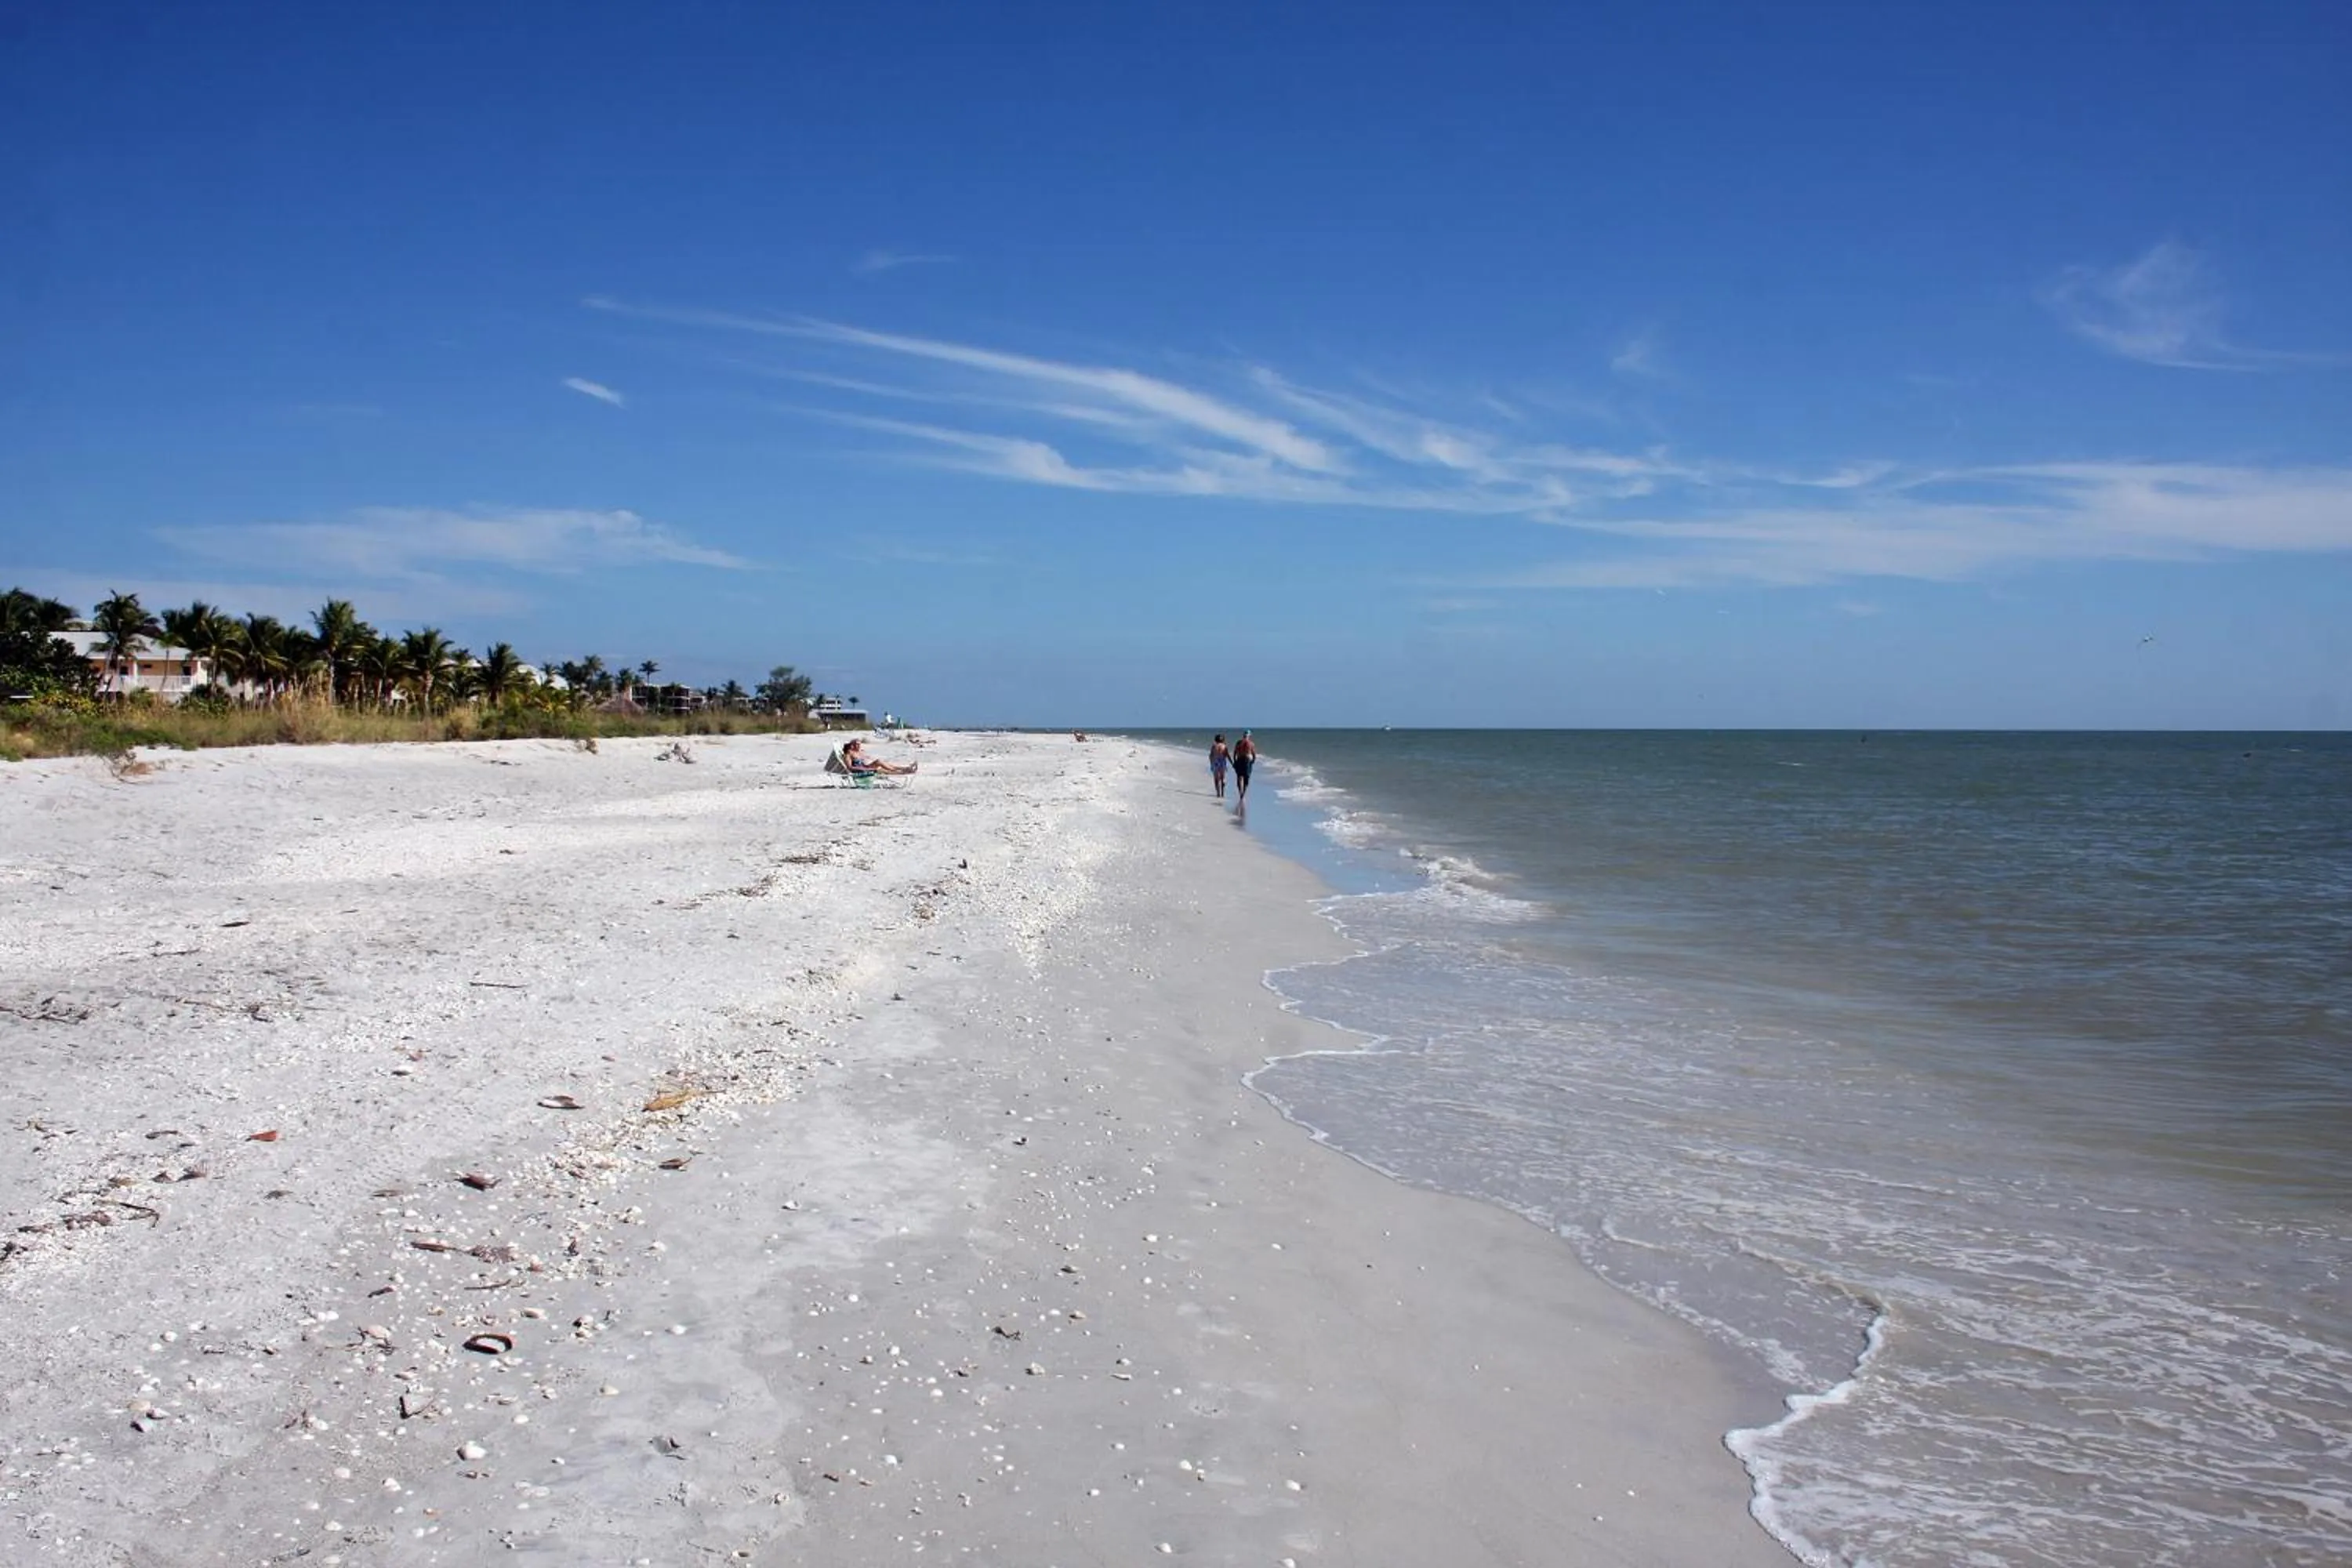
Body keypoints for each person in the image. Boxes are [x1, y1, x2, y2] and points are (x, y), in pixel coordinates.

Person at [842, 738, 916, 777]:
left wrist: (866, 761)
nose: (859, 746)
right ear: (852, 745)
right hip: (860, 771)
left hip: (865, 767)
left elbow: (865, 758)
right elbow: (850, 768)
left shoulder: (858, 752)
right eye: (857, 744)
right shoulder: (848, 755)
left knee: (879, 762)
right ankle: (902, 772)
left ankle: (905, 768)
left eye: (859, 744)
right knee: (879, 770)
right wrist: (866, 768)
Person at [1230, 730, 1257, 800]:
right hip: (1246, 760)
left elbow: (1235, 753)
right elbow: (1254, 754)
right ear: (1249, 736)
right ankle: (1243, 793)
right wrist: (1253, 760)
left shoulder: (1239, 742)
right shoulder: (1251, 743)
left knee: (1240, 776)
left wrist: (1235, 761)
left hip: (1240, 759)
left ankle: (1241, 793)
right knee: (1246, 777)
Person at [1208, 733, 1230, 799]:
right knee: (1223, 778)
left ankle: (1218, 793)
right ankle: (1223, 793)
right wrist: (1232, 762)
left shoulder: (1214, 746)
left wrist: (1211, 763)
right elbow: (1227, 755)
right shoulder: (1224, 746)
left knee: (1216, 779)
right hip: (1223, 762)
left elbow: (1211, 755)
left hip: (1216, 762)